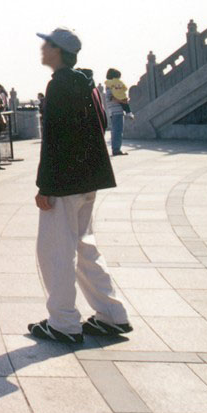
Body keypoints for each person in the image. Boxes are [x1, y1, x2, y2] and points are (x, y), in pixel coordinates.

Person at [29, 27, 132, 343]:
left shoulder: (59, 86)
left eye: (47, 45)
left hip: (65, 184)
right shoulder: (88, 84)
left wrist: (45, 186)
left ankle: (63, 322)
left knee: (55, 253)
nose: (42, 49)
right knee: (85, 247)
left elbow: (55, 142)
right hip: (89, 179)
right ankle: (112, 315)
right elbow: (99, 125)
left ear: (58, 51)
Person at [104, 68, 132, 156]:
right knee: (117, 130)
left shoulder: (110, 85)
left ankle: (116, 149)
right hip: (116, 111)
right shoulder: (111, 86)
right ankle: (116, 150)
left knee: (116, 130)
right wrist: (122, 101)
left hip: (114, 111)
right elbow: (110, 98)